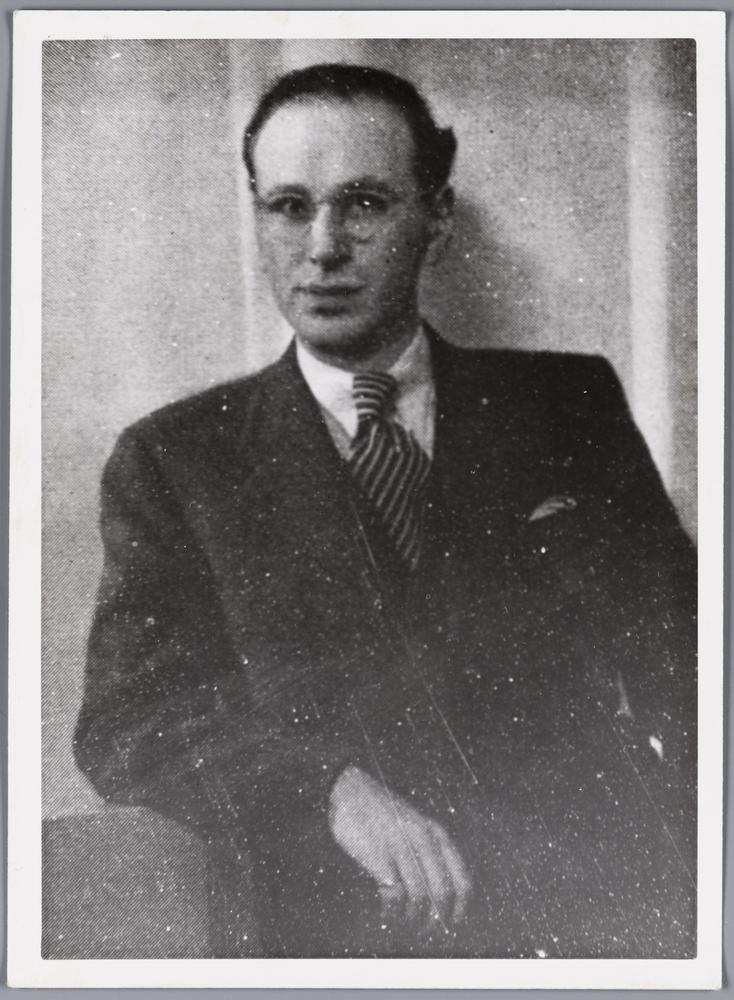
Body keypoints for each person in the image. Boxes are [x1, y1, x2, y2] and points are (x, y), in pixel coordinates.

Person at [74, 63, 697, 959]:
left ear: (436, 217)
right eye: (289, 207)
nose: (323, 246)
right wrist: (330, 789)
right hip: (342, 936)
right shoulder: (176, 460)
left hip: (591, 921)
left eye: (363, 203)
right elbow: (129, 722)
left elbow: (685, 655)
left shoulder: (566, 405)